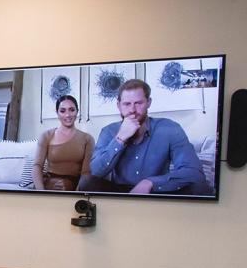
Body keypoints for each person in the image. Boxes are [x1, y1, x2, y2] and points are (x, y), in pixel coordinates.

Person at [78, 79, 209, 194]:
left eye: (138, 103)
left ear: (148, 102)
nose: (133, 110)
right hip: (119, 193)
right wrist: (120, 138)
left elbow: (193, 172)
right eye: (127, 104)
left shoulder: (170, 129)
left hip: (156, 192)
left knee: (201, 187)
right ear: (118, 105)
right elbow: (95, 172)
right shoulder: (109, 131)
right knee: (86, 183)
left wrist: (150, 183)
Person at [32, 95, 95, 191]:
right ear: (57, 113)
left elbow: (86, 172)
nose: (67, 115)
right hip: (49, 184)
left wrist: (77, 193)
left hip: (73, 185)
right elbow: (37, 166)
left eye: (71, 110)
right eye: (62, 111)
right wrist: (42, 192)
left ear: (77, 111)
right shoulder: (46, 136)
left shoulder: (87, 139)